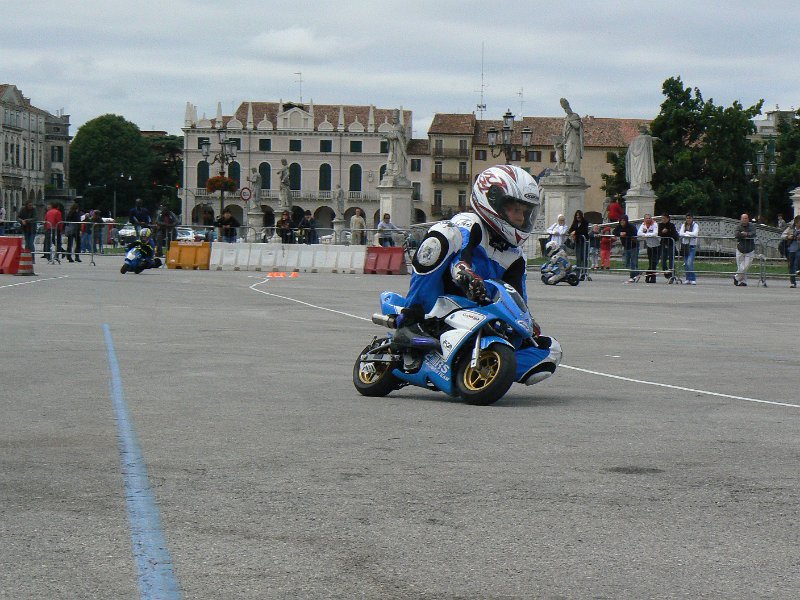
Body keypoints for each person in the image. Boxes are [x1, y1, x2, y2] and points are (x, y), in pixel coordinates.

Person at [395, 165, 540, 347]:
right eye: (515, 210)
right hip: (441, 300)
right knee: (443, 232)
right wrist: (465, 272)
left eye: (525, 212)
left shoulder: (516, 255)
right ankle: (410, 319)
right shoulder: (469, 223)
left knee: (547, 348)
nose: (521, 218)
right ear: (493, 202)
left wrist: (527, 324)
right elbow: (462, 255)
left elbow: (517, 295)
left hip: (481, 315)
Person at [625, 126, 657, 193]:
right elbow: (652, 138)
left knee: (636, 171)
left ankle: (636, 184)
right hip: (643, 159)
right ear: (645, 131)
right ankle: (643, 185)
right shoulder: (646, 137)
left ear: (639, 131)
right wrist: (657, 138)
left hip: (634, 160)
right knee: (643, 170)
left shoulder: (634, 140)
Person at [613, 214, 639, 283]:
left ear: (626, 221)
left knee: (633, 262)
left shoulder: (631, 226)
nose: (622, 222)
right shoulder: (619, 226)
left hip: (633, 246)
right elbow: (614, 232)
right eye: (621, 220)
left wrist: (626, 234)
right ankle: (637, 273)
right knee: (626, 263)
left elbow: (634, 233)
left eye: (624, 220)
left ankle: (632, 277)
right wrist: (620, 233)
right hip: (626, 246)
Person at [560, 98, 583, 174]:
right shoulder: (566, 118)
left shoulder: (575, 116)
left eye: (566, 109)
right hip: (567, 138)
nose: (565, 111)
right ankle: (568, 167)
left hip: (573, 138)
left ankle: (571, 168)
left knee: (571, 151)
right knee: (567, 151)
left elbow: (577, 126)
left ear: (569, 108)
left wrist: (570, 122)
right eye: (564, 109)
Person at [733, 213, 757, 286]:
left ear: (748, 219)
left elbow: (753, 233)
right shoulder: (738, 226)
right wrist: (742, 234)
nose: (745, 220)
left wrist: (746, 234)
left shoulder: (752, 226)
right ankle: (743, 281)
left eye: (746, 218)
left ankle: (736, 278)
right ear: (741, 219)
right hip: (740, 248)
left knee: (745, 266)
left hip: (750, 249)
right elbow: (736, 234)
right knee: (740, 266)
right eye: (743, 218)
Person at [637, 213, 659, 283]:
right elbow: (639, 233)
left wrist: (645, 235)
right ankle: (651, 277)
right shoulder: (643, 225)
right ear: (644, 219)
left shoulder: (654, 224)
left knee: (654, 262)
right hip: (649, 246)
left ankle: (649, 275)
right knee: (651, 262)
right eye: (646, 218)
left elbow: (655, 233)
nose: (648, 219)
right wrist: (647, 234)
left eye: (649, 218)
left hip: (657, 245)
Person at [568, 209, 589, 279]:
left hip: (584, 242)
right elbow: (570, 230)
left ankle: (584, 273)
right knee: (578, 258)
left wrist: (575, 232)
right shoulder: (575, 223)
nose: (578, 217)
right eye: (576, 216)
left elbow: (584, 231)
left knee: (584, 258)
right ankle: (578, 273)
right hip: (578, 242)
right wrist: (572, 232)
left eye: (579, 216)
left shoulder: (585, 222)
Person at [658, 213, 679, 281]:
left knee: (671, 261)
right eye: (662, 218)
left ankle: (672, 275)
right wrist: (662, 232)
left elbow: (674, 235)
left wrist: (667, 232)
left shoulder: (671, 225)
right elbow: (659, 234)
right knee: (663, 261)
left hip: (670, 244)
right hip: (663, 244)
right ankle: (666, 274)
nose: (663, 220)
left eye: (664, 218)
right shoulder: (660, 225)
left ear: (668, 218)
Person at [679, 213, 699, 285]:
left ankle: (693, 278)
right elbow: (681, 233)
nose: (688, 220)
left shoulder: (695, 225)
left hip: (692, 246)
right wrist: (688, 234)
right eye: (687, 218)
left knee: (689, 262)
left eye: (690, 218)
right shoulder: (683, 225)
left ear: (692, 219)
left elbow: (695, 234)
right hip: (685, 245)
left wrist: (687, 233)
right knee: (685, 263)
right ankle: (688, 278)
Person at [782, 215, 800, 288]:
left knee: (798, 258)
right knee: (791, 265)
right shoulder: (790, 229)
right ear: (796, 223)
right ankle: (793, 282)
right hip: (791, 249)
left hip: (799, 249)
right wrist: (788, 236)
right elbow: (782, 235)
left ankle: (797, 270)